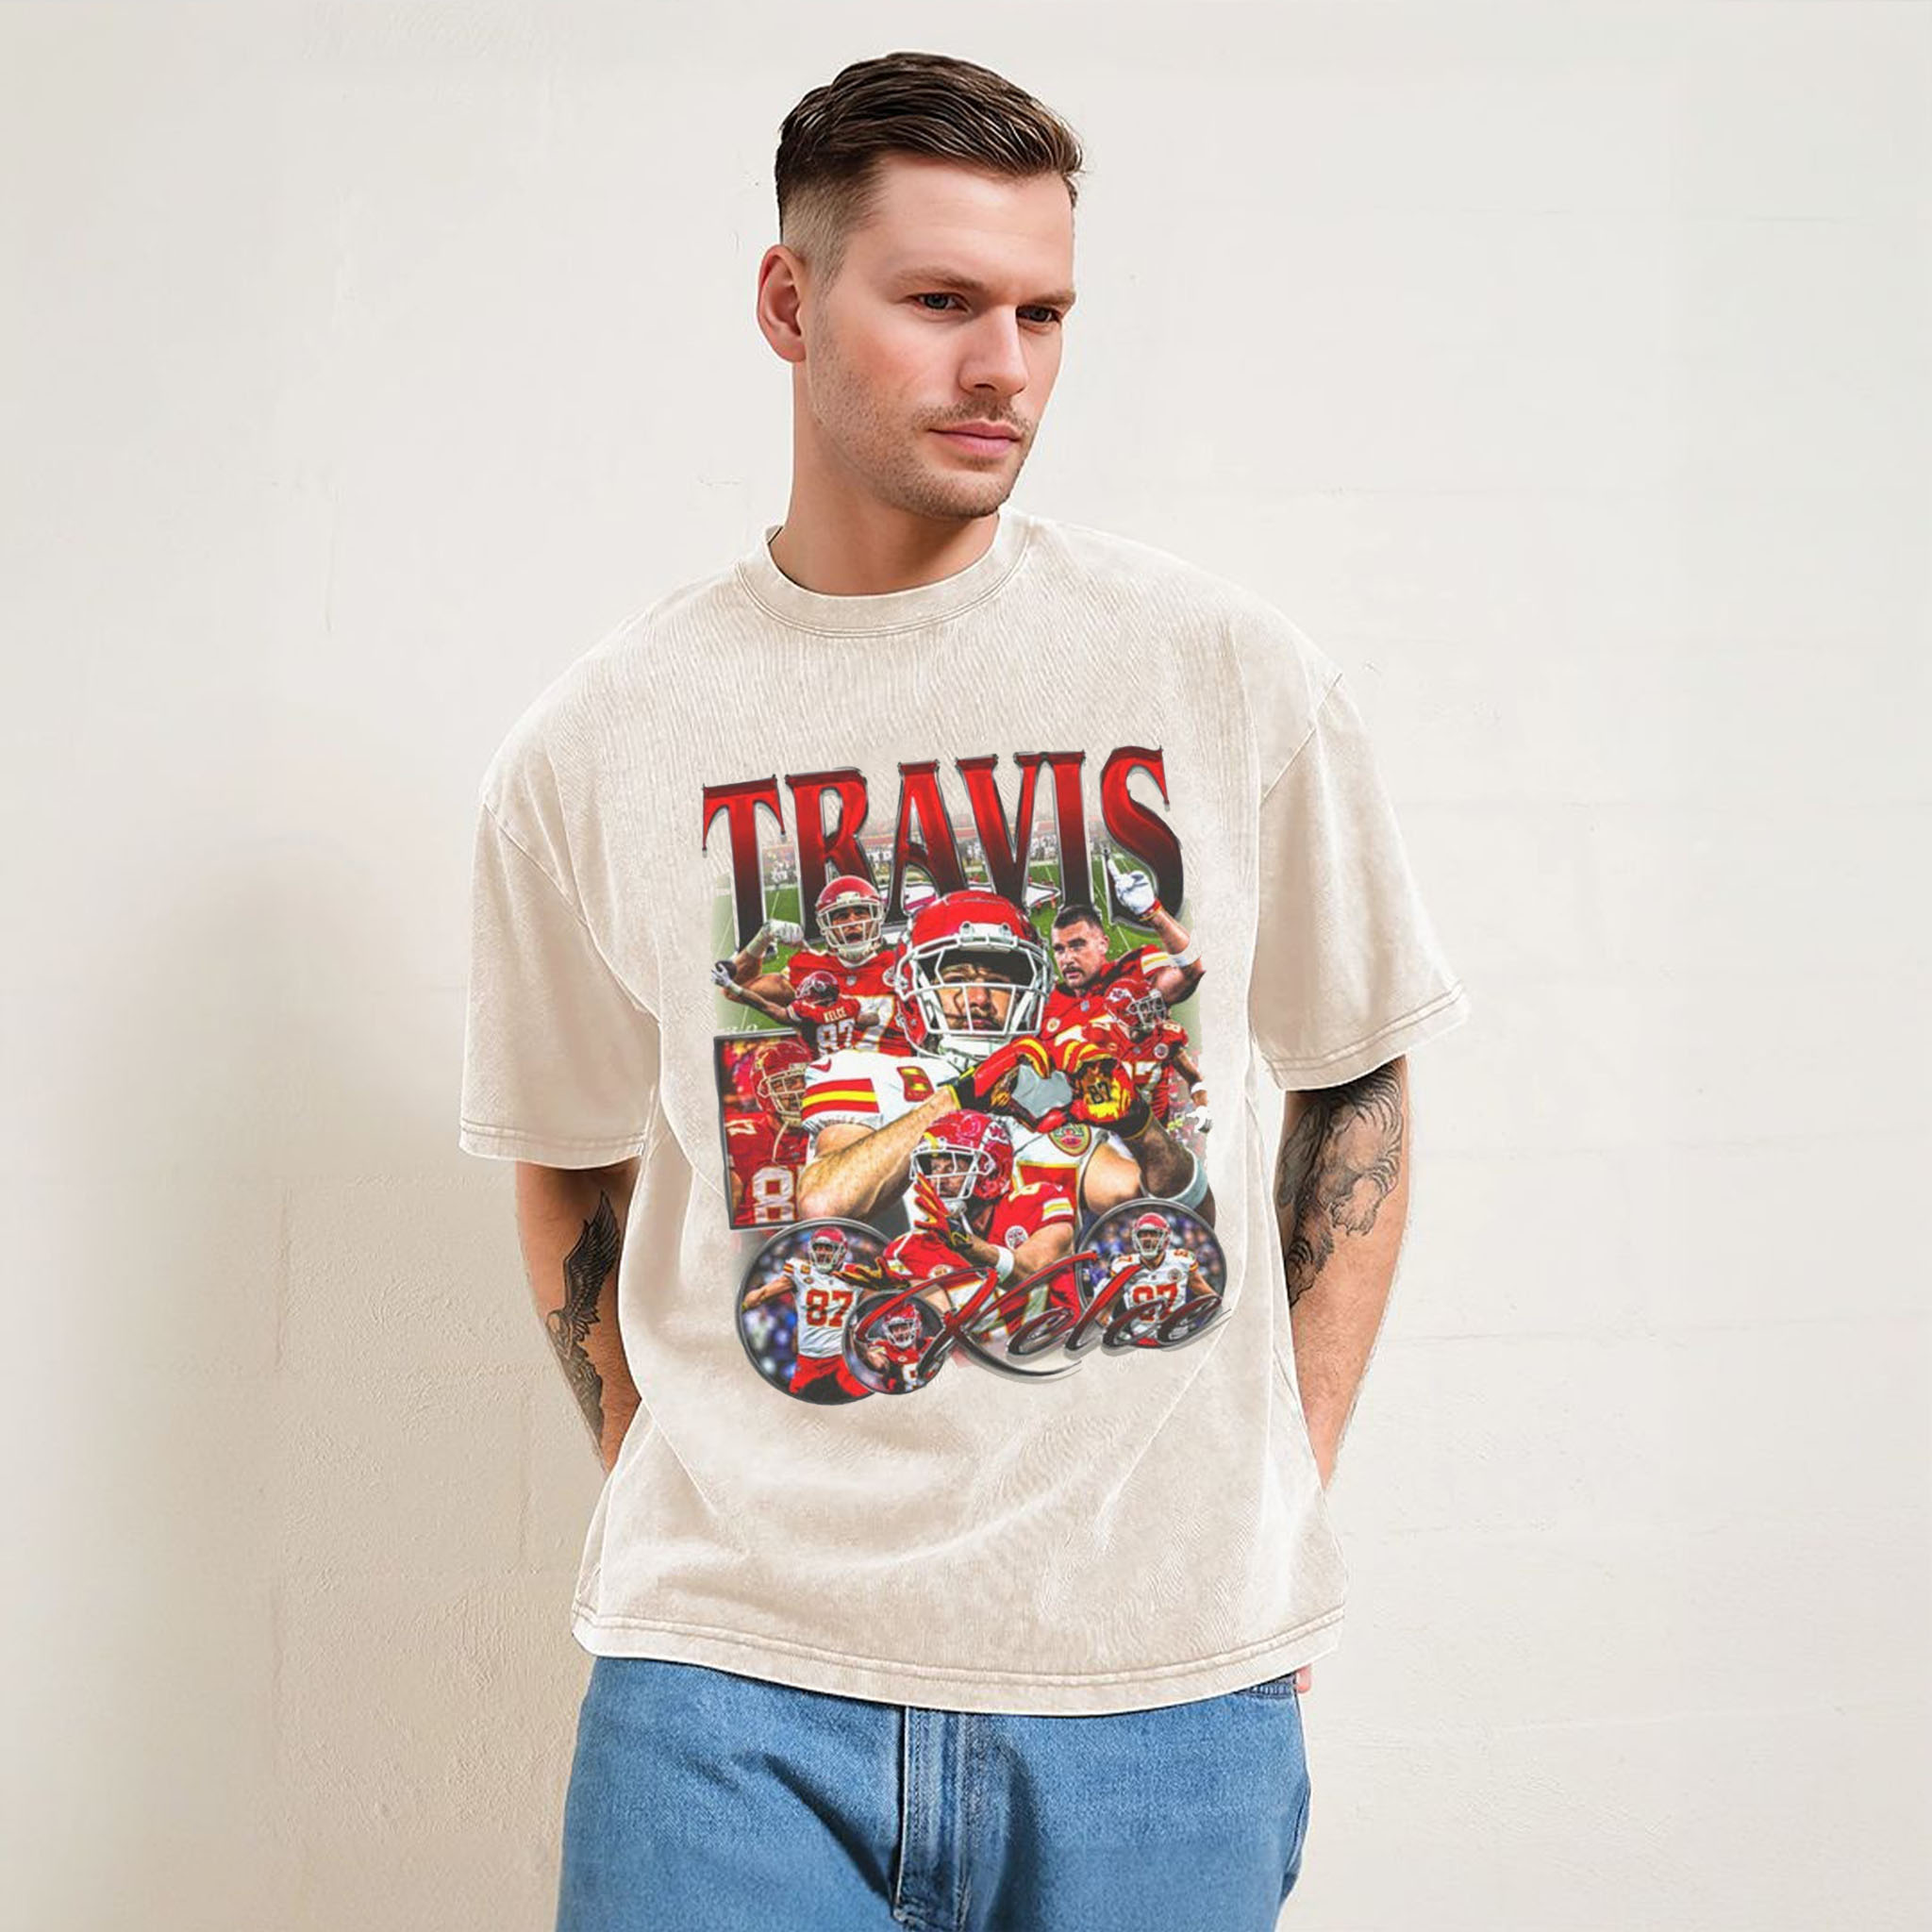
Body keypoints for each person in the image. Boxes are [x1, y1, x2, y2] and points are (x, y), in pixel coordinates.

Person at [458, 48, 1470, 1932]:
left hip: (1159, 1691)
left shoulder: (1226, 674)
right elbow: (565, 1150)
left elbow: (1356, 1073)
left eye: (1042, 313)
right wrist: (666, 1461)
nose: (1002, 366)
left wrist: (1279, 1486)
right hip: (726, 1688)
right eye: (939, 302)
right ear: (789, 302)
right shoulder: (597, 743)